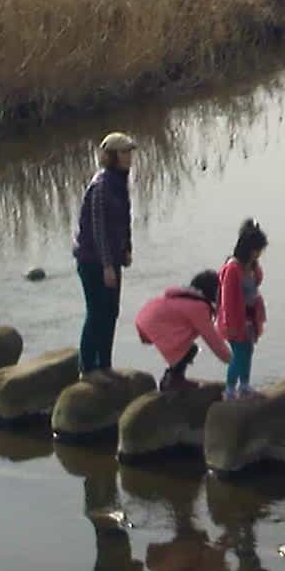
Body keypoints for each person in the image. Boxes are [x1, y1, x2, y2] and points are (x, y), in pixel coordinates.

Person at [73, 132, 137, 376]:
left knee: (111, 311)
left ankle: (105, 365)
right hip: (92, 261)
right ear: (112, 156)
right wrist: (107, 266)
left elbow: (124, 219)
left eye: (130, 152)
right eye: (124, 152)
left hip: (110, 259)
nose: (129, 157)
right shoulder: (101, 185)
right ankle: (88, 369)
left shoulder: (120, 182)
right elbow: (98, 228)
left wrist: (127, 248)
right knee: (97, 312)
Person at [136, 269, 230, 394]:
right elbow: (212, 339)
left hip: (146, 319)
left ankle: (172, 377)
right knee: (189, 349)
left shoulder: (187, 299)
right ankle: (173, 380)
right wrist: (232, 361)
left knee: (187, 347)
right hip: (154, 324)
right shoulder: (198, 307)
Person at [217, 218, 269, 400]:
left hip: (250, 318)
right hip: (235, 321)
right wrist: (234, 325)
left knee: (248, 351)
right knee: (238, 355)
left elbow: (257, 281)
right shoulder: (232, 269)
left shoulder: (251, 266)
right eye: (258, 250)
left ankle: (244, 386)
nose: (260, 254)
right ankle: (230, 390)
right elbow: (228, 301)